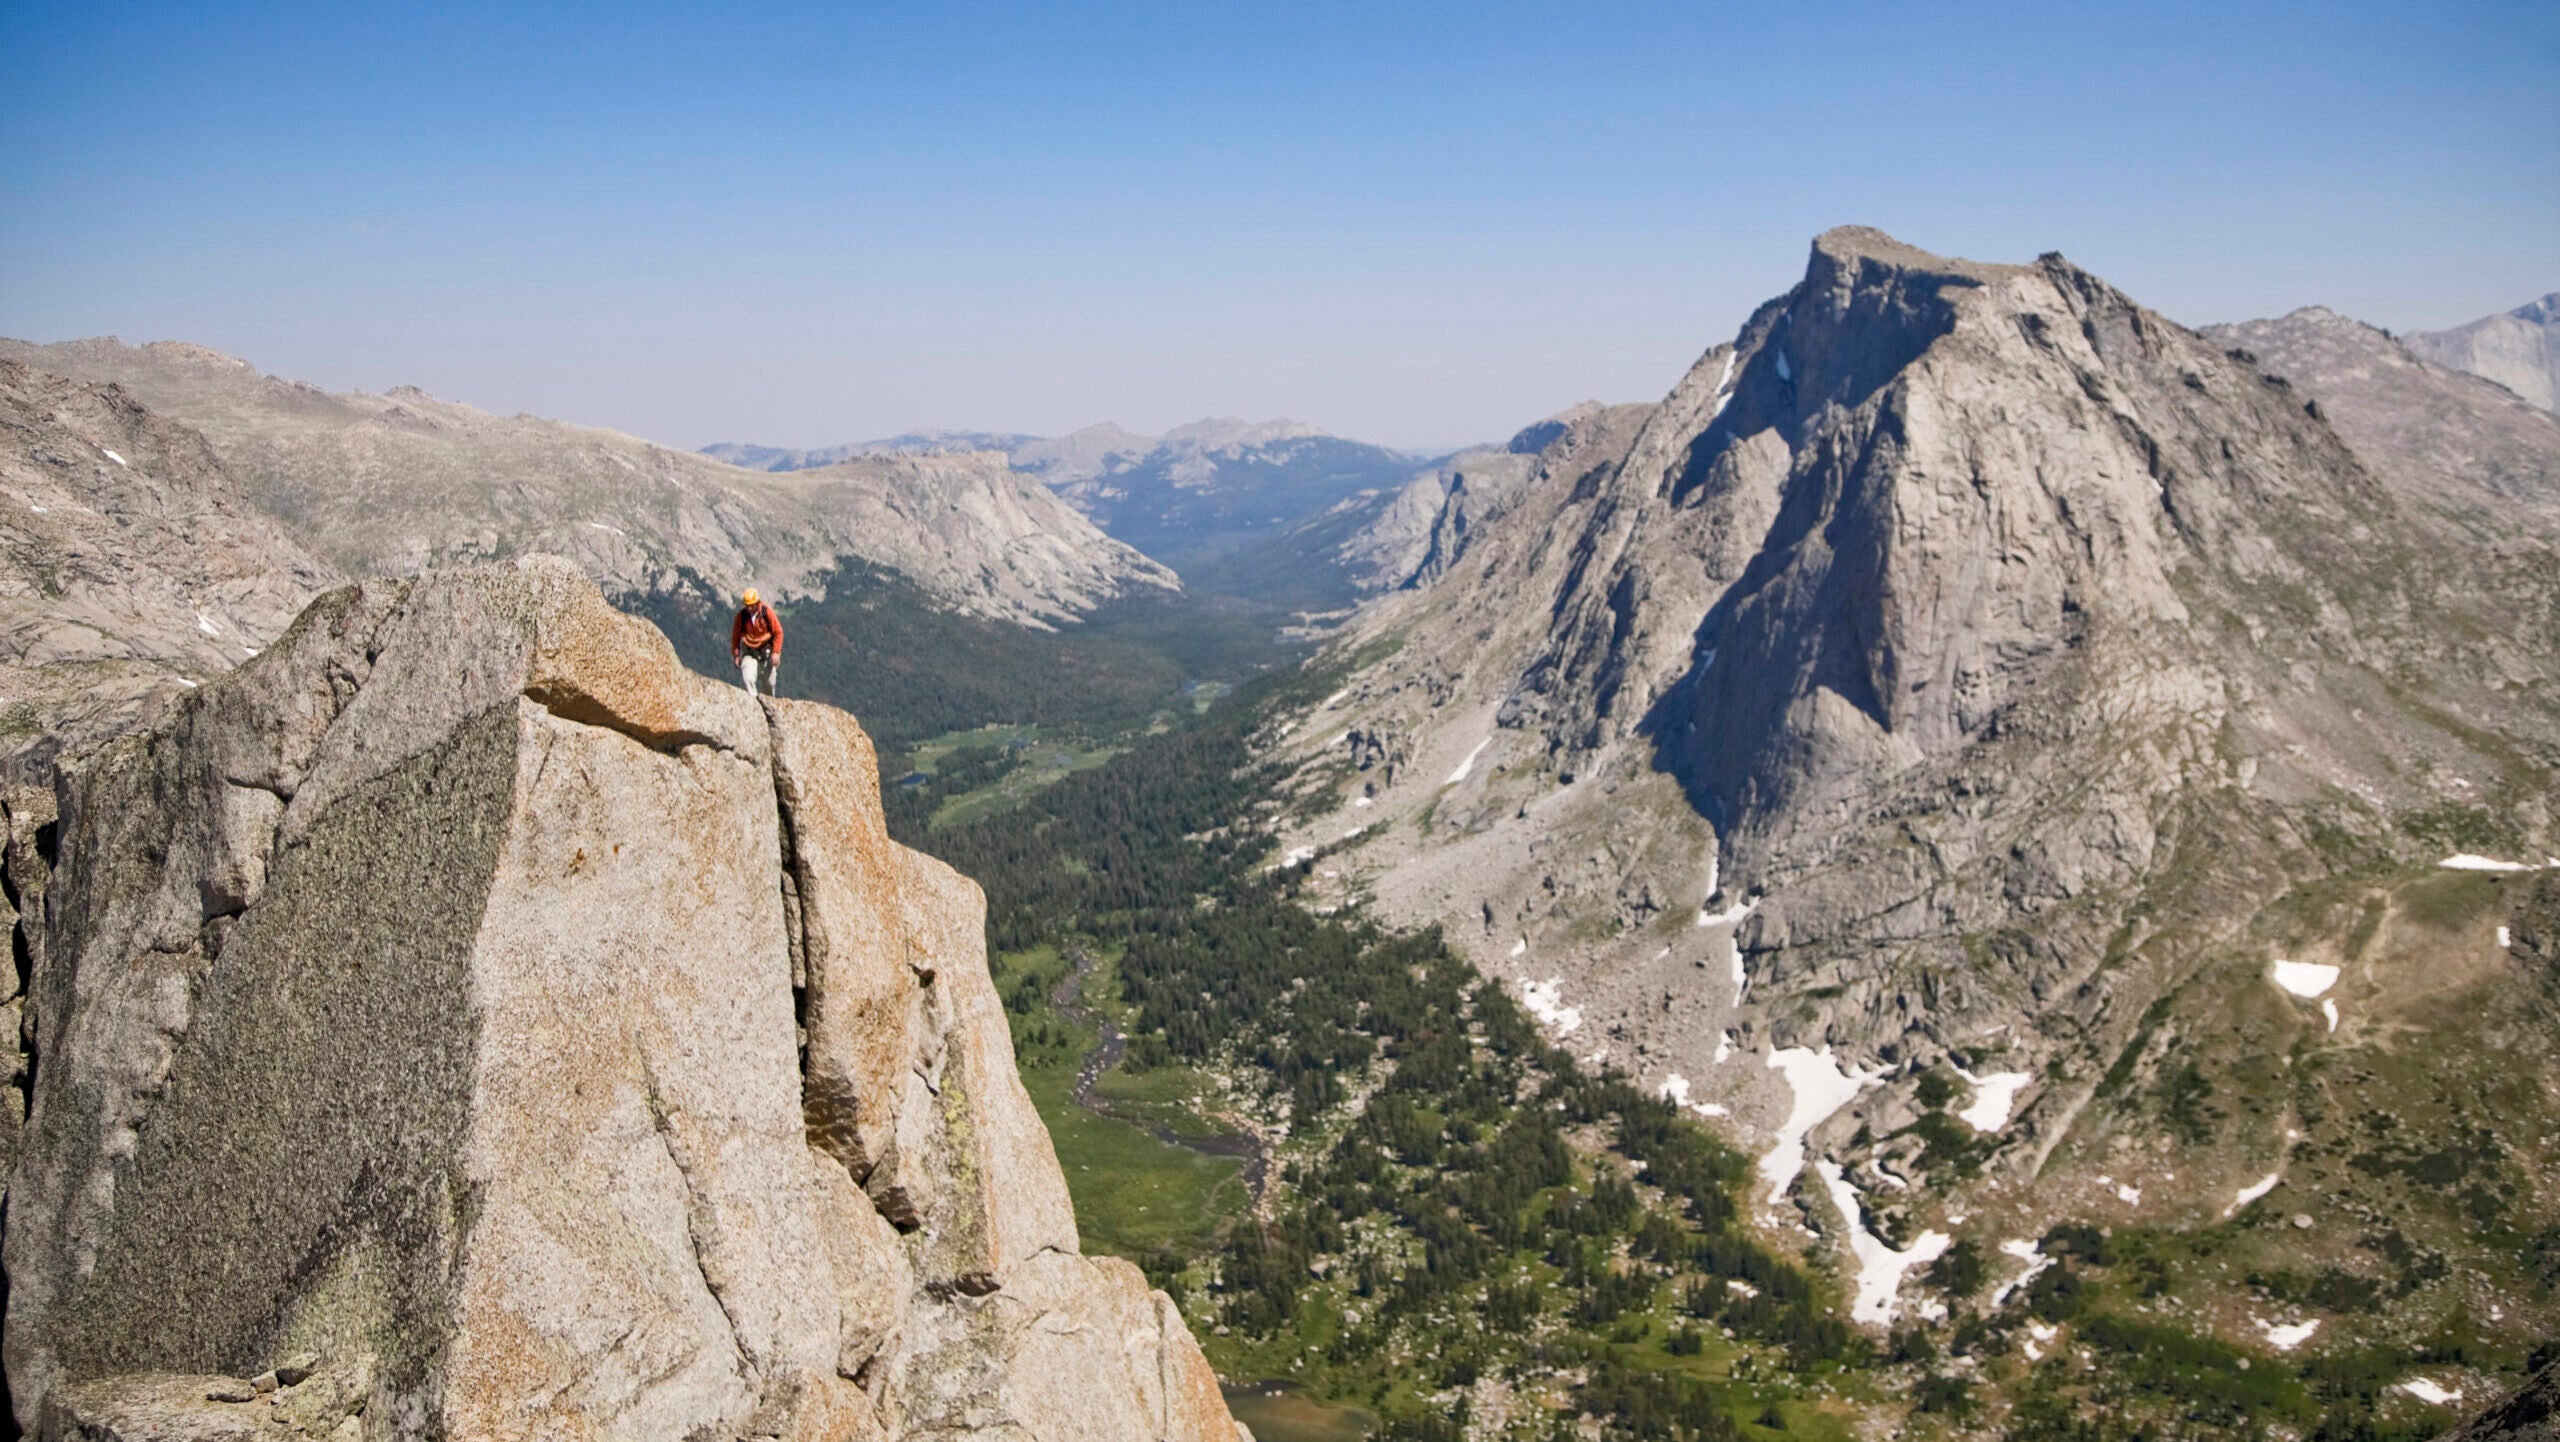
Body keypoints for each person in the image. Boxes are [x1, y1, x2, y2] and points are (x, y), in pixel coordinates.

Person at [730, 588, 783, 696]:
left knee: (769, 682)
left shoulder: (766, 613)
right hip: (749, 651)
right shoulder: (741, 617)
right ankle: (754, 703)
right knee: (748, 676)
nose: (749, 607)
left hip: (766, 651)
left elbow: (778, 632)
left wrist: (776, 652)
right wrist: (736, 655)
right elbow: (735, 637)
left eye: (752, 604)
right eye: (747, 605)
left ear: (756, 603)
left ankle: (769, 704)